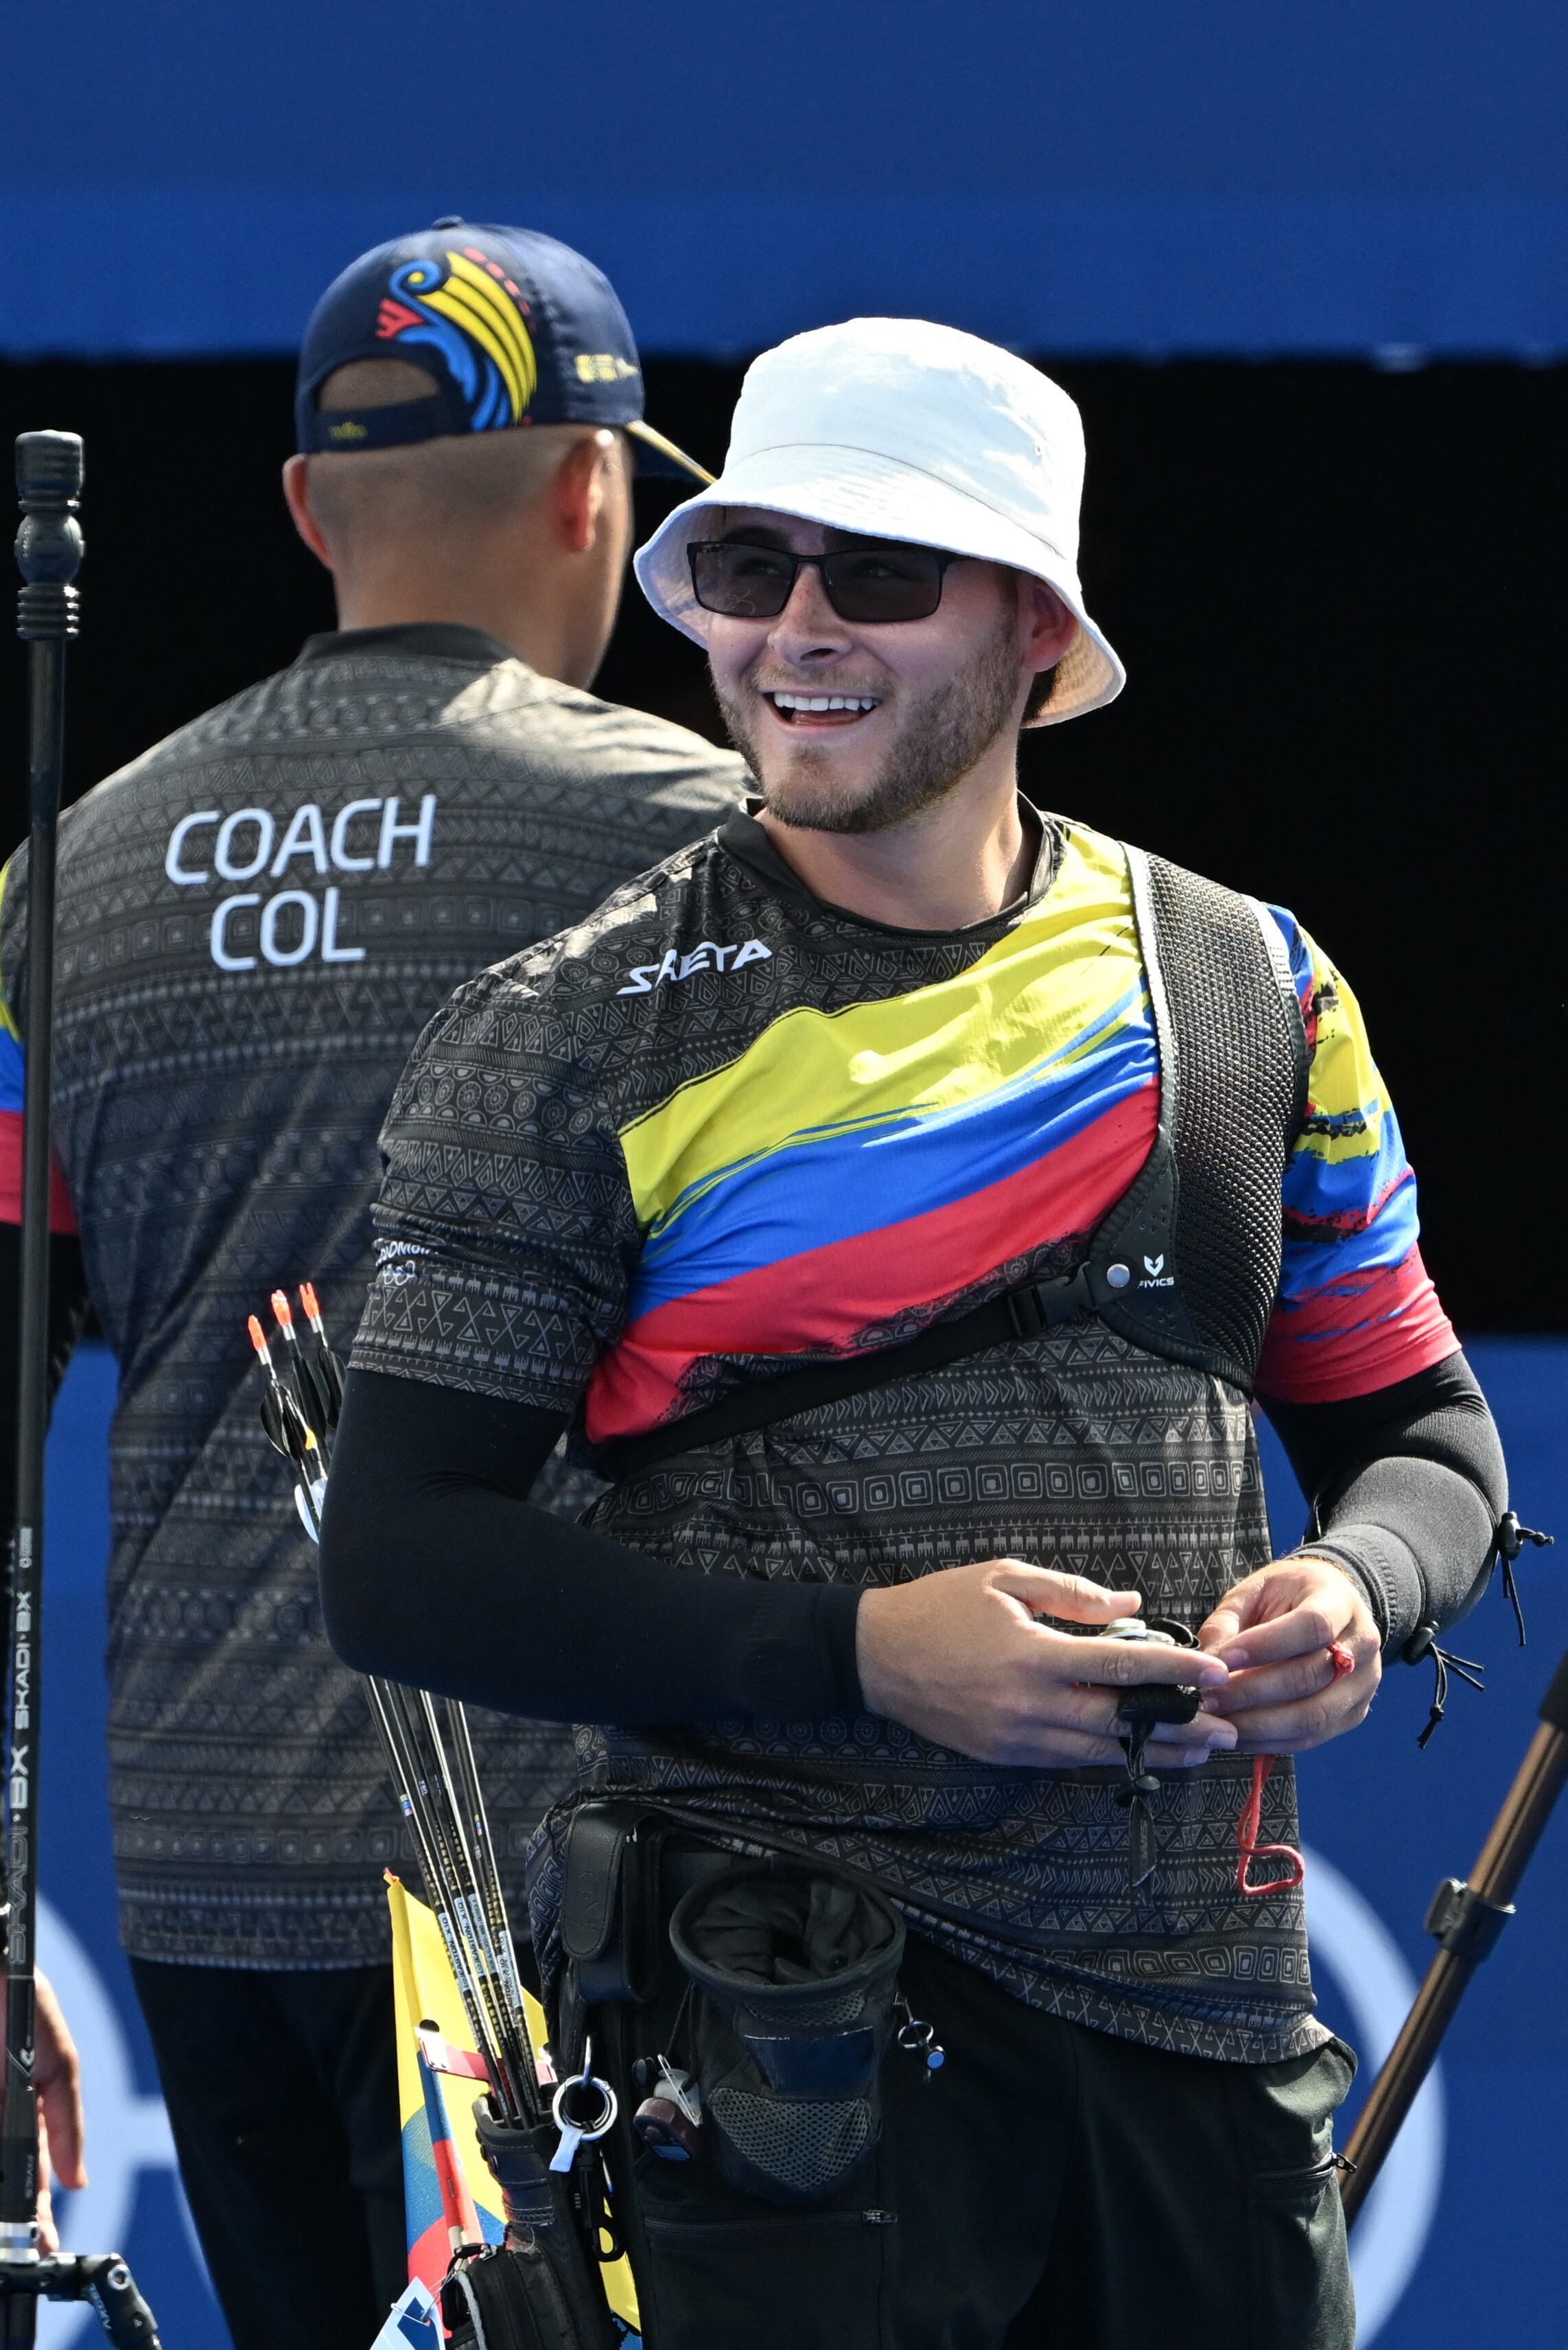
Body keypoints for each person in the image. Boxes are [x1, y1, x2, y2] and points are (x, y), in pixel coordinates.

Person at [320, 318, 1508, 2350]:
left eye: (879, 573)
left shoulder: (1255, 988)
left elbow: (1431, 1438)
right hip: (784, 2038)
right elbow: (402, 1557)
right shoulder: (573, 1027)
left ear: (1037, 626)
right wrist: (866, 1657)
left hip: (1201, 2028)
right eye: (747, 568)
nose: (796, 628)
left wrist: (1356, 1587)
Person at [0, 221, 745, 2350]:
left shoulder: (70, 876)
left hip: (206, 1883)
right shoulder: (703, 850)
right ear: (601, 493)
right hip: (579, 1897)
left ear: (312, 509)